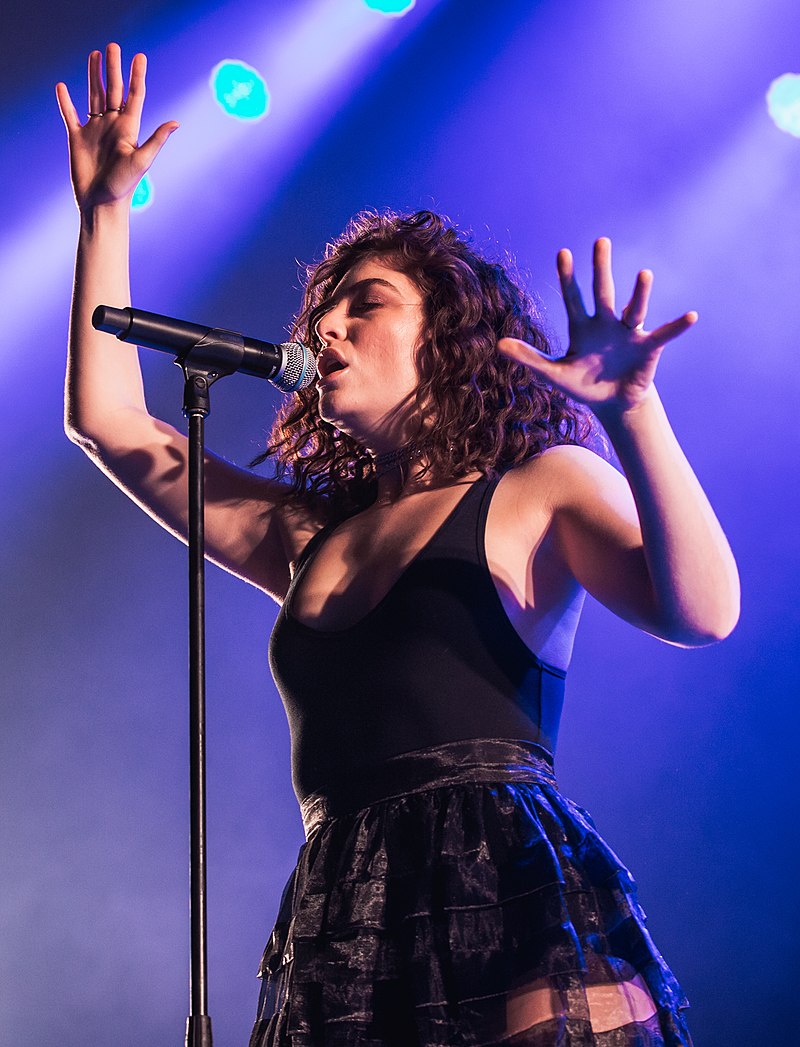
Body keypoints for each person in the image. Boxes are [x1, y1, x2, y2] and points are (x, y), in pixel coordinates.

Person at [57, 44, 739, 1047]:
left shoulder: (540, 486)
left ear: (446, 336)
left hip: (499, 882)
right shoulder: (304, 537)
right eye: (321, 313)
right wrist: (104, 212)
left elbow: (701, 611)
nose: (327, 329)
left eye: (363, 304)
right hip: (345, 912)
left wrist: (635, 419)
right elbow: (112, 425)